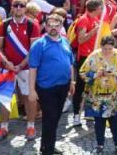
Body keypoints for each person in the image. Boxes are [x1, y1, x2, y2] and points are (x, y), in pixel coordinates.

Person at [0, 0, 41, 141]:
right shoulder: (4, 25)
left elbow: (34, 50)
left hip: (26, 68)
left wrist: (20, 65)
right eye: (16, 5)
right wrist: (6, 62)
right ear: (12, 7)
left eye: (21, 5)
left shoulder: (33, 25)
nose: (18, 8)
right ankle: (3, 128)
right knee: (5, 98)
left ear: (26, 8)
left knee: (29, 97)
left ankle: (31, 127)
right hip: (7, 67)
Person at [28, 15, 75, 155]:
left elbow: (71, 63)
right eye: (50, 25)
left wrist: (72, 81)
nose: (53, 28)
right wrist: (31, 90)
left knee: (55, 117)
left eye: (56, 25)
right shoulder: (39, 44)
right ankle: (47, 151)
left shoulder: (65, 42)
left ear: (61, 27)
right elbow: (32, 68)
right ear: (45, 26)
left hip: (63, 86)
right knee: (50, 118)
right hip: (46, 88)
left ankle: (47, 145)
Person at [80, 35, 117, 155]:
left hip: (114, 96)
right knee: (99, 122)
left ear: (113, 47)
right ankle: (100, 145)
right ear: (101, 46)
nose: (107, 51)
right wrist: (94, 75)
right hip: (97, 97)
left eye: (110, 48)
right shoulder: (94, 56)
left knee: (115, 121)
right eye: (105, 48)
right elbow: (82, 72)